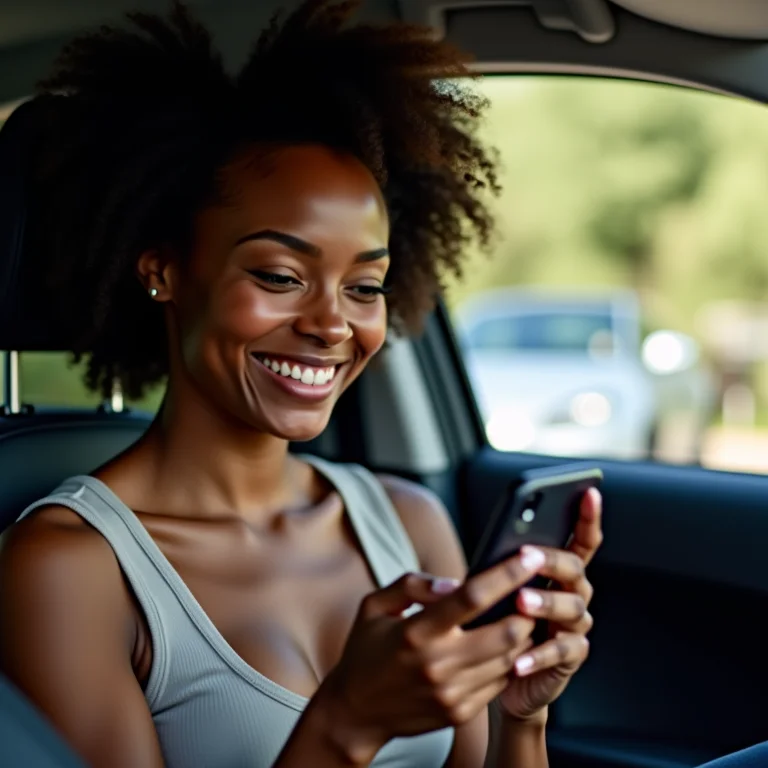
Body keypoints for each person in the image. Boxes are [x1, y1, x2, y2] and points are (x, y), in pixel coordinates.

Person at [0, 1, 602, 766]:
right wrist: (346, 723)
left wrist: (523, 716)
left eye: (365, 287)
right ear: (163, 270)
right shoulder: (70, 569)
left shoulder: (408, 525)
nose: (332, 325)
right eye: (281, 275)